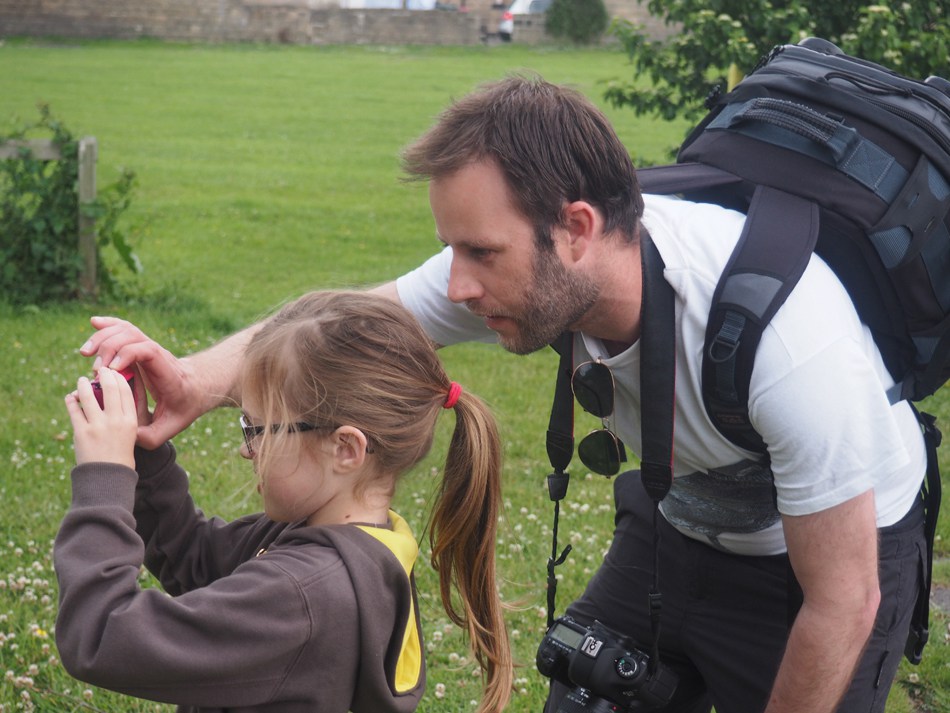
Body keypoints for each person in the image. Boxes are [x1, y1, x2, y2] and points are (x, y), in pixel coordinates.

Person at [80, 76, 928, 713]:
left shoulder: (789, 341)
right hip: (678, 518)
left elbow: (843, 599)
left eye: (480, 253)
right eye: (452, 249)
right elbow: (338, 320)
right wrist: (194, 379)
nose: (458, 285)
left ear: (578, 229)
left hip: (815, 565)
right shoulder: (536, 272)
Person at [56, 290, 513, 713]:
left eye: (258, 429)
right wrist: (142, 452)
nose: (246, 449)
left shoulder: (302, 596)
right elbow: (195, 559)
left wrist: (105, 479)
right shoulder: (356, 546)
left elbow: (101, 634)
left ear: (346, 449)